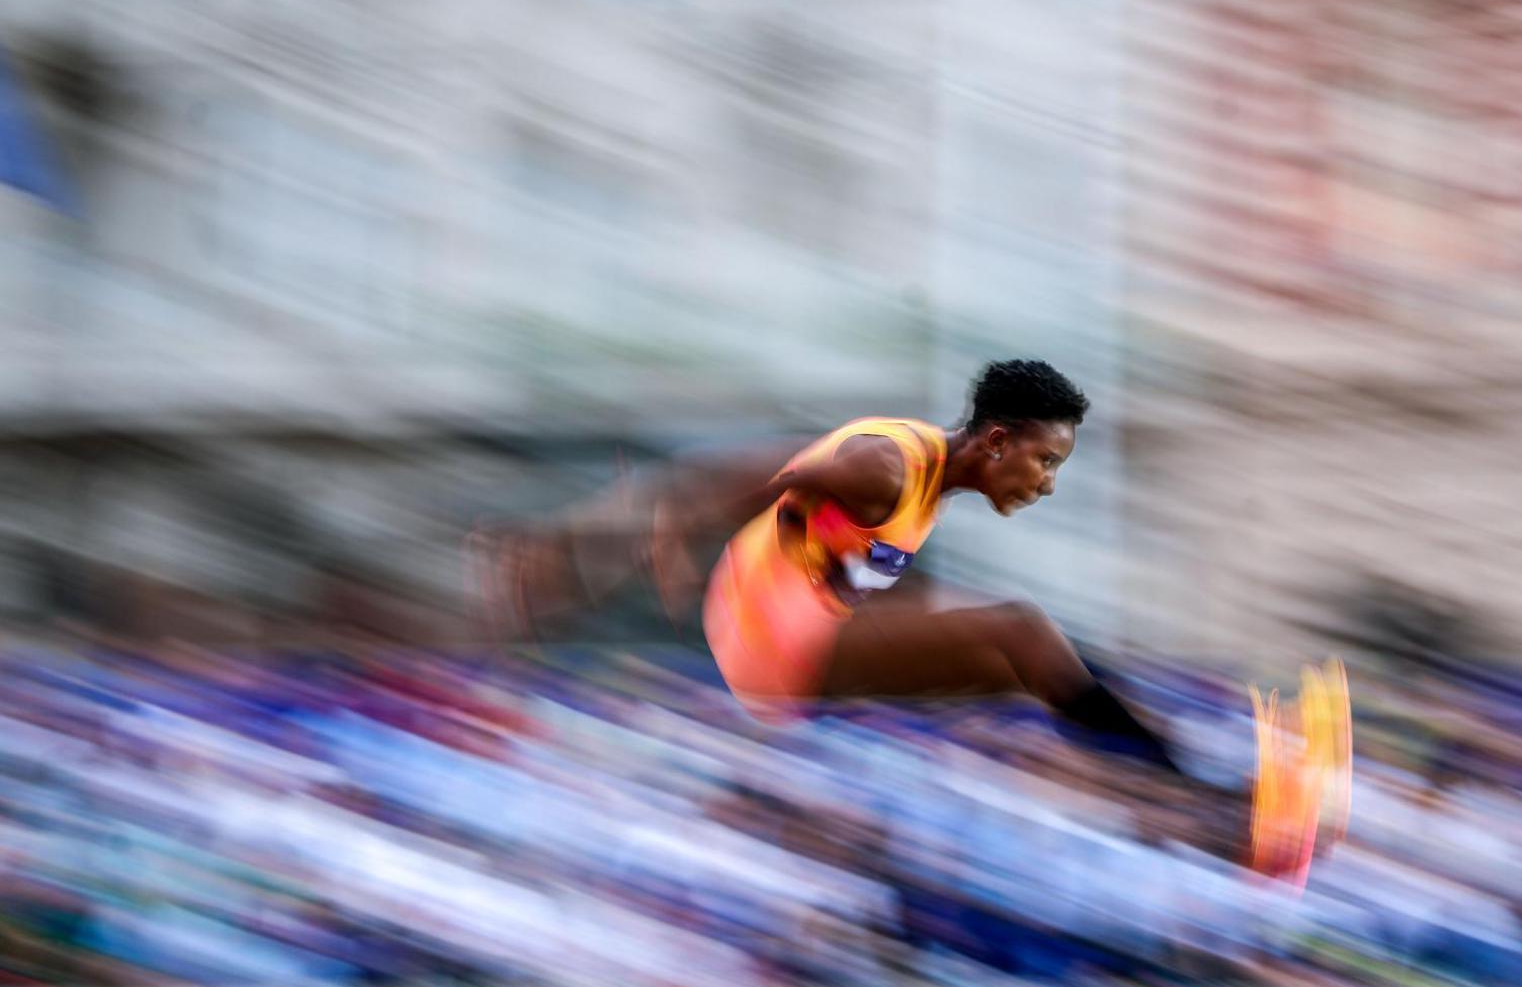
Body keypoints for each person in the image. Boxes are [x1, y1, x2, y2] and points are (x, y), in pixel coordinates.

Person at [470, 360, 1348, 878]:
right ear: (996, 441)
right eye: (1045, 461)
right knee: (1021, 632)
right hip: (769, 637)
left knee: (1038, 670)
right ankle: (1223, 804)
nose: (1047, 484)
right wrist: (582, 545)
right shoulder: (886, 468)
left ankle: (1215, 823)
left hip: (798, 629)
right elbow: (724, 475)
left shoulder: (928, 485)